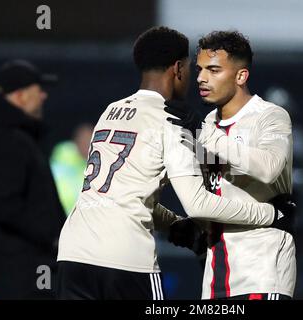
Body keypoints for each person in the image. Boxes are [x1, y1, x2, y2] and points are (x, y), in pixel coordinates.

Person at [57, 26, 290, 300]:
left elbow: (126, 197)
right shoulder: (175, 122)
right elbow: (197, 203)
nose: (199, 78)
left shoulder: (110, 111)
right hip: (124, 256)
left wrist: (175, 225)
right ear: (178, 69)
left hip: (72, 252)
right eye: (196, 68)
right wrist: (271, 214)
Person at [165, 31, 296, 300]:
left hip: (261, 271)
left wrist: (204, 136)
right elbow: (215, 191)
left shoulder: (270, 116)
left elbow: (269, 167)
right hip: (216, 275)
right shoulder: (207, 124)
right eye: (200, 69)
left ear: (240, 76)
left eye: (214, 70)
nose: (201, 78)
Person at [0, 60, 67, 299]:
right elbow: (4, 205)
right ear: (20, 96)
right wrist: (52, 235)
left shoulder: (14, 138)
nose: (44, 96)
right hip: (21, 269)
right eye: (38, 90)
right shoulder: (10, 140)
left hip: (23, 266)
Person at [50, 123, 94, 215]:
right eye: (84, 142)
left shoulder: (96, 165)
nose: (88, 147)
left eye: (91, 142)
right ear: (76, 141)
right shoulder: (61, 160)